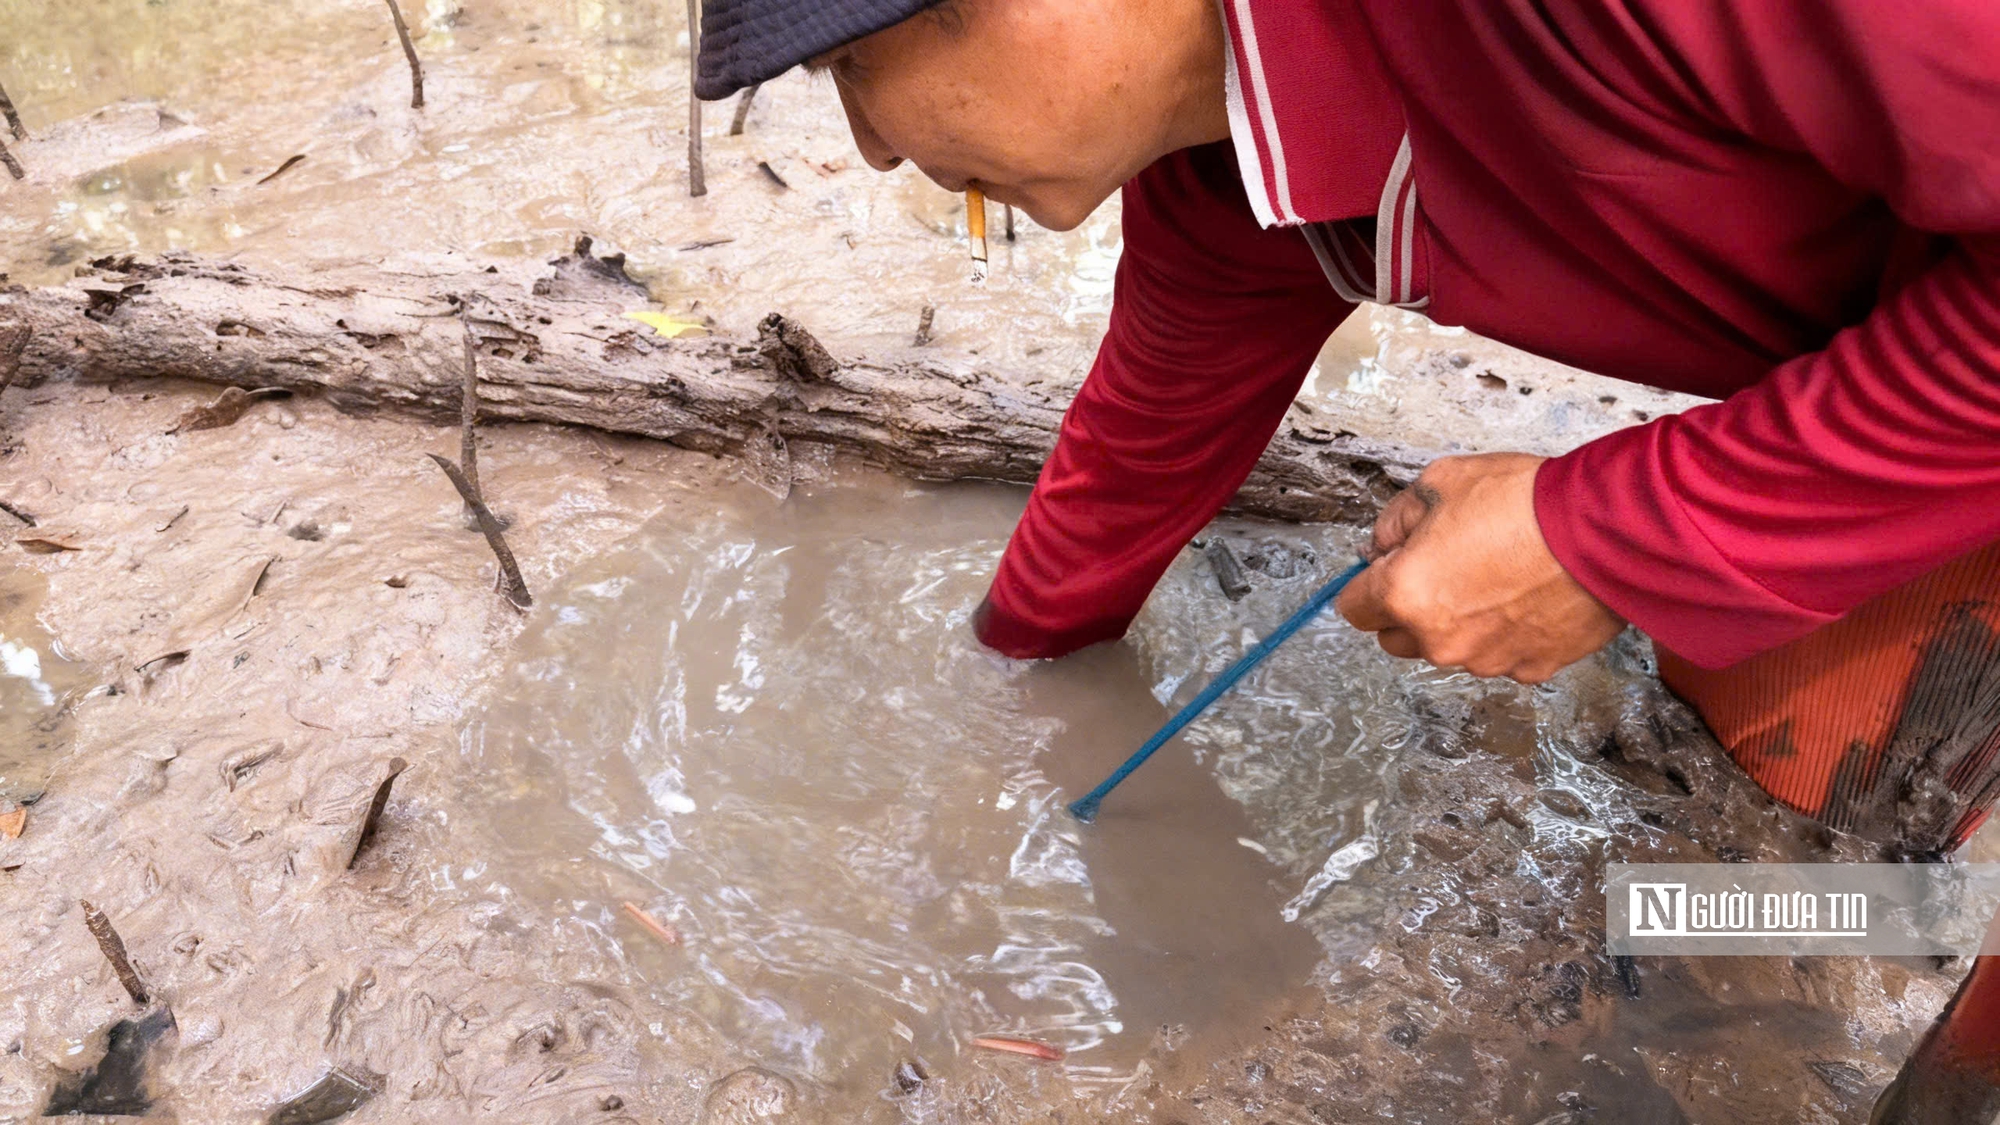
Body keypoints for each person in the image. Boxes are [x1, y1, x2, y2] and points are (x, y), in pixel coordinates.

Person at [696, 1, 2000, 1108]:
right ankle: (1898, 944)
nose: (868, 148)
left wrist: (1607, 536)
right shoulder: (1235, 179)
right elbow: (1142, 443)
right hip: (1931, 361)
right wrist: (1007, 692)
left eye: (850, 66)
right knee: (1778, 804)